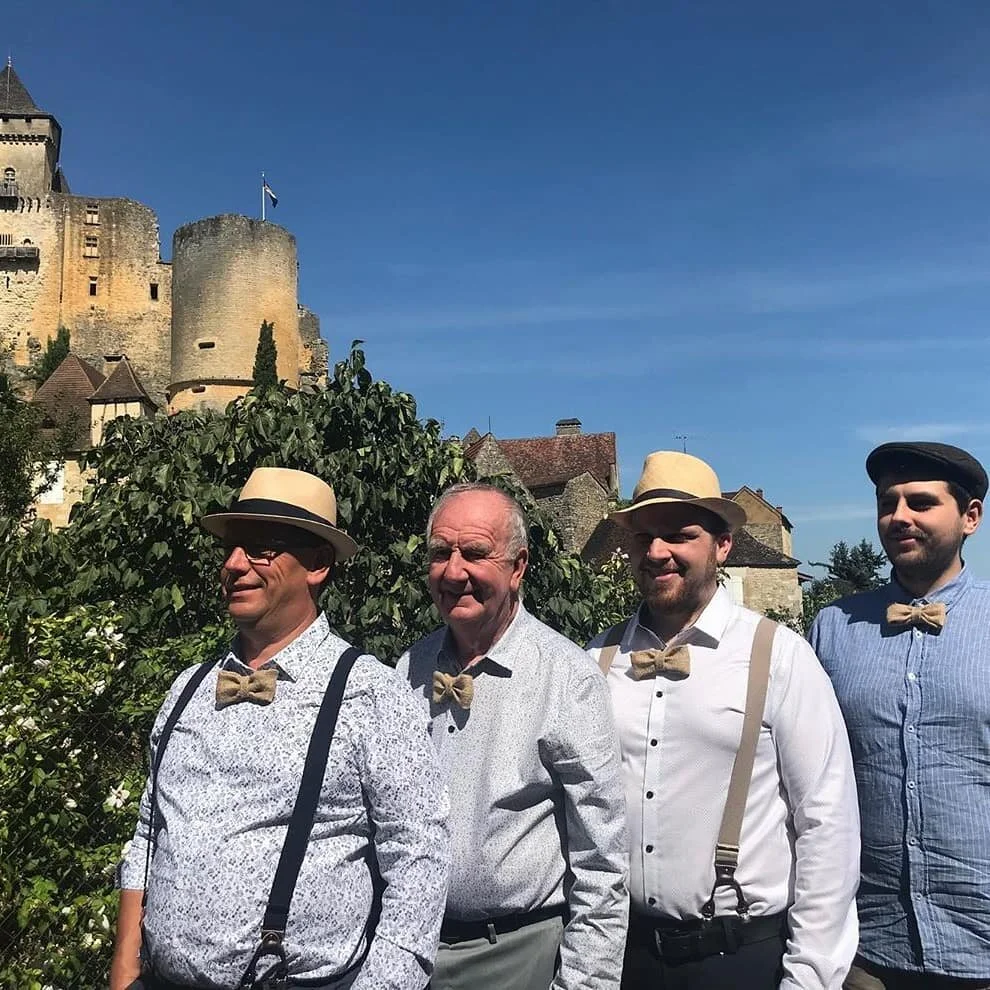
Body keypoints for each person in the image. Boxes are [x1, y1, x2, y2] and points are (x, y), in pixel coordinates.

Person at [110, 467, 450, 990]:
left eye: (261, 549)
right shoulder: (187, 690)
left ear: (317, 565)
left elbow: (418, 863)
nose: (233, 565)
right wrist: (125, 974)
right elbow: (147, 835)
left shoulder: (372, 697)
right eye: (230, 549)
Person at [588, 451, 860, 990]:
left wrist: (810, 976)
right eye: (644, 537)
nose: (658, 552)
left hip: (741, 958)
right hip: (623, 959)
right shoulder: (596, 659)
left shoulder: (778, 655)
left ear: (723, 545)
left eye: (679, 534)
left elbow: (827, 823)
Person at [396, 482, 628, 990]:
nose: (453, 572)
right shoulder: (408, 667)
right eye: (440, 553)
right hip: (409, 947)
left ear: (517, 567)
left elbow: (602, 858)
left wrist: (585, 983)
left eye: (475, 553)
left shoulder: (567, 677)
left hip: (517, 955)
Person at [809, 442, 990, 990]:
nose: (899, 517)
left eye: (921, 502)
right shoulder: (834, 627)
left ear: (970, 517)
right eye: (888, 503)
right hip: (867, 948)